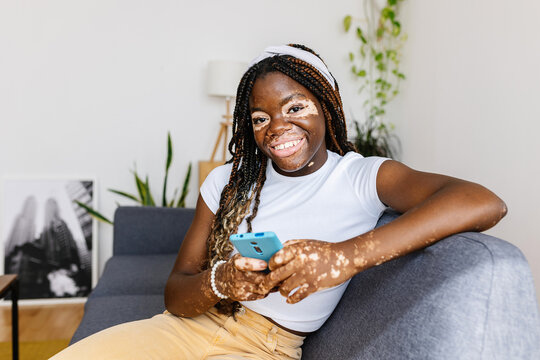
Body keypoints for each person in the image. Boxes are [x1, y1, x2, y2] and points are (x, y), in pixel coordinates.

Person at [52, 44, 506, 359]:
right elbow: (176, 294)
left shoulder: (361, 176)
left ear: (326, 107)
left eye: (295, 107)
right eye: (260, 117)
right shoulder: (228, 183)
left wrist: (343, 258)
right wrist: (222, 281)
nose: (277, 127)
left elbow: (483, 202)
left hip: (265, 348)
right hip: (185, 329)